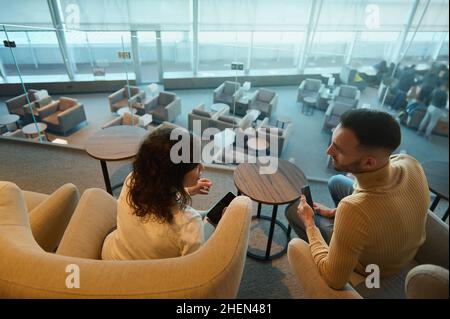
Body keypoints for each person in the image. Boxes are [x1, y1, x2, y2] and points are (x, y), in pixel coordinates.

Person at [285, 109, 429, 291]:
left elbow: (334, 279)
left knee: (292, 211)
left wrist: (309, 224)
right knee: (336, 182)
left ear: (369, 163)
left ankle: (342, 238)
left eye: (338, 149)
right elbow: (375, 205)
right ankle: (349, 231)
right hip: (401, 245)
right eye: (332, 142)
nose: (328, 151)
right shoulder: (409, 163)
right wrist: (334, 212)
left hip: (374, 269)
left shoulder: (353, 209)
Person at [102, 126, 214, 260]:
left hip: (113, 256)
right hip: (146, 276)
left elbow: (160, 191)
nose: (202, 167)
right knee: (212, 227)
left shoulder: (132, 180)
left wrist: (188, 191)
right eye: (196, 165)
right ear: (175, 175)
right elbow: (192, 268)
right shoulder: (189, 223)